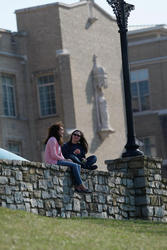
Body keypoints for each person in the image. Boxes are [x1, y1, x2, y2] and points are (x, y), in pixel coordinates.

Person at [44, 122, 91, 193]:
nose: (63, 132)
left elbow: (60, 154)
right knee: (75, 165)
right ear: (57, 131)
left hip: (57, 160)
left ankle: (77, 186)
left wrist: (67, 160)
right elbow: (54, 155)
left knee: (77, 165)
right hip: (52, 161)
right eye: (61, 130)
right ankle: (81, 185)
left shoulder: (57, 140)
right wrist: (64, 159)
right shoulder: (52, 140)